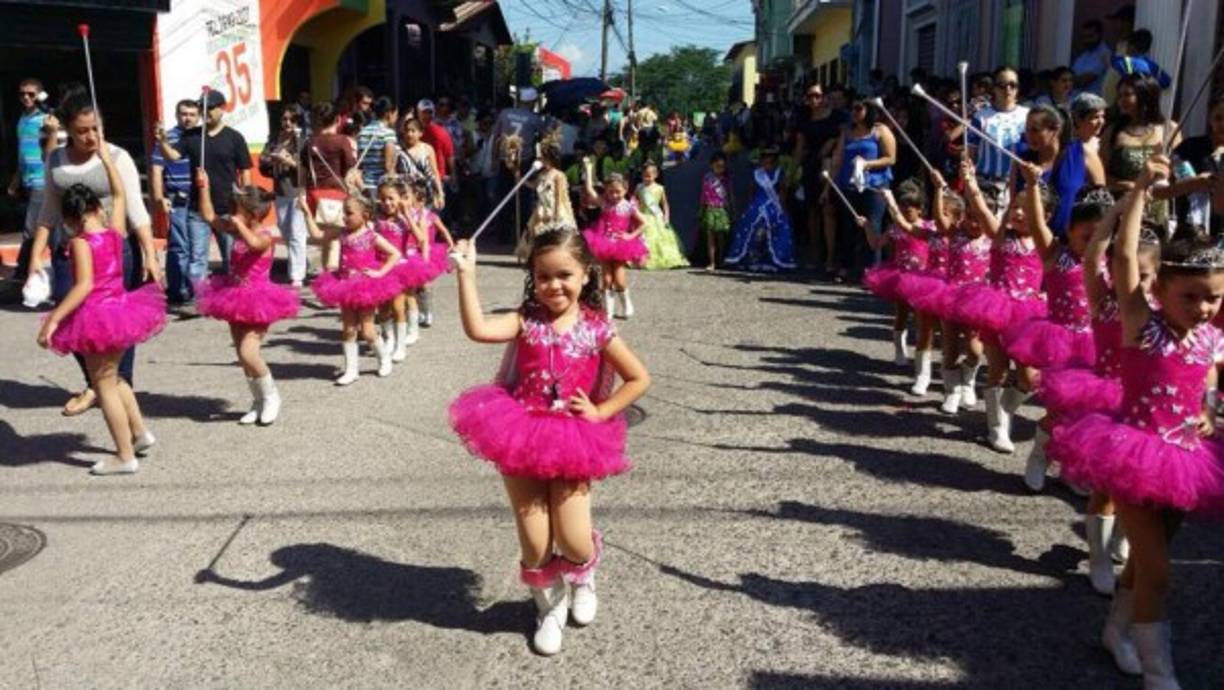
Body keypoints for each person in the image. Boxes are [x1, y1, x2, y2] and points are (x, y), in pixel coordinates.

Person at [1049, 156, 1224, 688]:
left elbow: (1208, 383)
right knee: (1160, 571)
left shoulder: (1212, 335)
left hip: (1186, 459)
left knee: (1153, 558)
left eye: (1213, 296)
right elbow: (1122, 255)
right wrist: (1142, 191)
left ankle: (1118, 629)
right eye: (1189, 296)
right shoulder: (1138, 322)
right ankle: (1157, 666)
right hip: (1131, 451)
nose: (1202, 307)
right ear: (1161, 290)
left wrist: (1208, 411)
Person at [447, 229, 650, 656]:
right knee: (536, 543)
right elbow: (479, 329)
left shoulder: (598, 329)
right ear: (532, 277)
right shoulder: (526, 320)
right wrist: (467, 275)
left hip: (574, 438)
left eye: (564, 275)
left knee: (574, 539)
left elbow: (638, 378)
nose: (553, 285)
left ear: (586, 275)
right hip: (520, 432)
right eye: (543, 276)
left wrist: (600, 411)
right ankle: (548, 607)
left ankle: (583, 575)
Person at [1044, 188, 1156, 594]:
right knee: (1106, 490)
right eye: (1132, 274)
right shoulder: (1105, 301)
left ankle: (1123, 540)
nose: (1139, 283)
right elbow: (1096, 255)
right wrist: (1120, 213)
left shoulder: (1162, 315)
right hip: (1110, 402)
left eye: (1147, 276)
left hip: (1149, 414)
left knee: (1140, 488)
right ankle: (1097, 554)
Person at [35, 133, 164, 476]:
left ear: (72, 218)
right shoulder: (114, 232)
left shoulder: (80, 242)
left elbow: (83, 286)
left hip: (97, 314)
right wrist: (107, 159)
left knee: (103, 385)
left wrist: (53, 320)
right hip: (123, 310)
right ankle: (139, 434)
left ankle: (124, 456)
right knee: (117, 378)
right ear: (96, 208)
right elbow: (120, 192)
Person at [1001, 166, 1098, 489]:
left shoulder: (1111, 265)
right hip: (1059, 341)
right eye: (1087, 236)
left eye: (1103, 237)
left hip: (1095, 346)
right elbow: (1039, 224)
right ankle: (1040, 454)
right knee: (1059, 410)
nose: (1095, 244)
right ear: (1069, 230)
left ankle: (1072, 466)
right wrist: (1030, 185)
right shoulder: (1056, 255)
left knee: (1085, 413)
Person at [951, 165, 1052, 454]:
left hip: (1029, 316)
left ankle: (1005, 408)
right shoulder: (1000, 235)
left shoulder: (1046, 245)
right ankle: (997, 428)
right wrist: (970, 182)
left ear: (1044, 217)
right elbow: (982, 210)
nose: (1019, 213)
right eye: (1015, 207)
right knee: (996, 370)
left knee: (1030, 377)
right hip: (996, 310)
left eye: (1026, 208)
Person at [194, 172, 299, 426]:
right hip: (233, 295)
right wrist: (204, 187)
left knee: (248, 352)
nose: (232, 214)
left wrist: (238, 225)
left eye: (238, 210)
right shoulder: (238, 229)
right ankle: (258, 400)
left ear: (252, 215)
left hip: (259, 299)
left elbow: (254, 244)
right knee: (243, 356)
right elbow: (209, 216)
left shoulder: (264, 236)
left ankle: (272, 396)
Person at [299, 194, 403, 385]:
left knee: (368, 330)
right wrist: (306, 212)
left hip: (365, 286)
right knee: (348, 330)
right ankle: (351, 369)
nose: (344, 217)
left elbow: (395, 254)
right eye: (342, 212)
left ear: (365, 215)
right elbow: (317, 235)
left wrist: (380, 273)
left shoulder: (372, 236)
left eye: (349, 213)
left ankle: (384, 358)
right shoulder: (341, 233)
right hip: (344, 285)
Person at [909, 172, 990, 415]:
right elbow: (939, 219)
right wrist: (939, 190)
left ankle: (969, 380)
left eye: (980, 220)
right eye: (970, 219)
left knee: (975, 350)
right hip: (953, 299)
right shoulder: (954, 234)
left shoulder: (992, 239)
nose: (975, 224)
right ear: (963, 217)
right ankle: (951, 391)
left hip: (978, 302)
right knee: (951, 348)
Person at [158, 89, 253, 277]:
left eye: (209, 108)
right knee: (198, 259)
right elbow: (173, 156)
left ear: (222, 109)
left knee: (231, 258)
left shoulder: (234, 137)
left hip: (228, 208)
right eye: (202, 107)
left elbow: (245, 171)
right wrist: (162, 142)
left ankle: (230, 298)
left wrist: (244, 202)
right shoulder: (192, 135)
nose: (205, 112)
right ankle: (198, 303)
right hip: (197, 208)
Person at [862, 181, 935, 372]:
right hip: (901, 277)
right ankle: (899, 349)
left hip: (923, 279)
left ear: (920, 210)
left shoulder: (928, 228)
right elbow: (876, 244)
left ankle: (921, 357)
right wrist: (868, 227)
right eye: (901, 210)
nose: (903, 214)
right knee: (901, 315)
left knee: (922, 320)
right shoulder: (895, 229)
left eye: (908, 210)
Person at [829, 98, 896, 282]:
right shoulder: (847, 132)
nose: (854, 112)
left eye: (859, 108)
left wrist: (868, 164)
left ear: (869, 111)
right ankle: (845, 267)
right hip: (848, 185)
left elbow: (891, 158)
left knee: (872, 226)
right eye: (853, 108)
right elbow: (838, 158)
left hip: (874, 185)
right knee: (847, 227)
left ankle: (872, 271)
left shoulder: (880, 130)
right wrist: (830, 184)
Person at [1103, 74, 1179, 229]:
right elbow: (1101, 175)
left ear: (1145, 95)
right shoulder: (1113, 131)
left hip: (1156, 205)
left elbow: (1179, 170)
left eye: (1127, 94)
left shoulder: (1168, 129)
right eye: (1119, 95)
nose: (1121, 100)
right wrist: (1129, 185)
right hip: (1123, 205)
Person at [581, 169, 648, 318]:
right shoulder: (604, 202)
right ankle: (608, 309)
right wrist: (589, 171)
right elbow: (590, 191)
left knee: (619, 278)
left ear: (626, 189)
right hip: (603, 242)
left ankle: (626, 302)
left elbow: (644, 223)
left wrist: (630, 236)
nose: (614, 195)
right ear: (606, 191)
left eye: (618, 191)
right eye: (610, 192)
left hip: (620, 245)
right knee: (606, 278)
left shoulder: (629, 206)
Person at [153, 99, 202, 304]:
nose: (187, 118)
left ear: (198, 116)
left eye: (192, 114)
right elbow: (157, 169)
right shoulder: (168, 138)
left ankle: (196, 289)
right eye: (183, 114)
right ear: (176, 115)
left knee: (197, 247)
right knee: (179, 246)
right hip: (178, 199)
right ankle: (178, 290)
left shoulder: (202, 138)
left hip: (200, 199)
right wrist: (159, 197)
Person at [302, 102, 357, 271]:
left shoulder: (309, 142)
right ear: (338, 119)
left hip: (315, 193)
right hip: (336, 194)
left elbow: (303, 168)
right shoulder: (342, 141)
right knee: (334, 241)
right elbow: (351, 167)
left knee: (327, 240)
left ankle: (325, 280)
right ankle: (331, 285)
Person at [969, 66, 1030, 215]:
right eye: (1002, 85)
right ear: (994, 88)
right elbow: (970, 154)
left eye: (1013, 85)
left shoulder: (1028, 116)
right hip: (985, 185)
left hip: (1016, 186)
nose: (1008, 89)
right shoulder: (981, 116)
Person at [724, 147, 797, 273]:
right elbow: (751, 191)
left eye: (771, 161)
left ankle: (774, 259)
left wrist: (782, 208)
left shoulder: (779, 173)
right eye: (765, 160)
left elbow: (782, 192)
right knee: (750, 227)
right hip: (757, 205)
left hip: (774, 205)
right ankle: (751, 258)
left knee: (777, 227)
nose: (768, 163)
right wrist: (749, 207)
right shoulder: (757, 174)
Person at [8, 77, 51, 285]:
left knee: (31, 226)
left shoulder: (46, 119)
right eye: (22, 93)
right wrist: (16, 180)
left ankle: (22, 269)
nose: (26, 97)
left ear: (40, 95)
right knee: (40, 224)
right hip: (27, 179)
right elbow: (22, 154)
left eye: (31, 94)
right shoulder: (22, 120)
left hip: (42, 180)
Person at [259, 107, 308, 286]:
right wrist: (272, 159)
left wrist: (290, 162)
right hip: (280, 191)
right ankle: (299, 263)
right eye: (285, 119)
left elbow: (307, 170)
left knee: (297, 233)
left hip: (298, 192)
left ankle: (297, 275)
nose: (288, 123)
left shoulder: (302, 142)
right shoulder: (274, 140)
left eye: (292, 120)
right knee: (285, 231)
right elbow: (262, 163)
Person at [1048, 93, 1107, 236]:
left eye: (1102, 116)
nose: (1101, 122)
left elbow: (1100, 195)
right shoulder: (1064, 147)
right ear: (1077, 120)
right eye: (1094, 117)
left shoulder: (1093, 149)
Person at [1167, 95, 1224, 233]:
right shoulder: (1189, 148)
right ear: (1209, 118)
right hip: (1191, 229)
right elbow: (1165, 189)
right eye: (1218, 118)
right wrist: (1193, 183)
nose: (1223, 124)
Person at [519, 131, 576, 258]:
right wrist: (519, 177)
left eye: (542, 157)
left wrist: (556, 214)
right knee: (536, 233)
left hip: (555, 209)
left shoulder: (558, 175)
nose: (540, 160)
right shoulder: (542, 174)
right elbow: (533, 185)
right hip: (541, 208)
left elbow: (559, 195)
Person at [634, 162, 689, 270]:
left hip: (656, 218)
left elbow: (665, 204)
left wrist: (666, 216)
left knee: (660, 240)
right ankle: (642, 259)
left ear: (656, 175)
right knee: (644, 240)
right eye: (644, 175)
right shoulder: (639, 187)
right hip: (642, 217)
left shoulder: (660, 188)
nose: (647, 178)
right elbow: (634, 200)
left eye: (649, 175)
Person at [398, 117, 445, 211]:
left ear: (420, 133)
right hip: (409, 193)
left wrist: (440, 193)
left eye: (413, 131)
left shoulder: (427, 149)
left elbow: (434, 172)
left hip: (428, 192)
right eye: (407, 131)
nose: (409, 134)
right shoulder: (399, 150)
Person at [355, 97, 398, 197]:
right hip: (381, 188)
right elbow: (389, 166)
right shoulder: (388, 134)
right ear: (389, 113)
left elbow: (360, 162)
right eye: (396, 114)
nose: (396, 117)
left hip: (365, 187)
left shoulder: (362, 133)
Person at [417, 99, 455, 212]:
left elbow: (450, 154)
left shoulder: (441, 132)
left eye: (429, 112)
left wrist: (453, 174)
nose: (427, 116)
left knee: (436, 212)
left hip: (437, 177)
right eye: (424, 112)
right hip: (418, 178)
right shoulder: (413, 131)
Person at [698, 152, 734, 270]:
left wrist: (732, 209)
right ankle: (712, 262)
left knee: (721, 237)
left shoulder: (726, 178)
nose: (720, 169)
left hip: (722, 209)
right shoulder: (708, 178)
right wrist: (701, 209)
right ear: (712, 165)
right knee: (710, 237)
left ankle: (721, 260)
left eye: (722, 167)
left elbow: (730, 195)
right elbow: (703, 194)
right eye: (717, 166)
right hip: (710, 209)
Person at [1072, 20, 1113, 96]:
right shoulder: (1084, 55)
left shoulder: (1104, 54)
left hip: (1092, 102)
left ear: (1099, 35)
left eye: (1090, 36)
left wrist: (1068, 81)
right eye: (1084, 37)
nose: (1087, 40)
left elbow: (1083, 81)